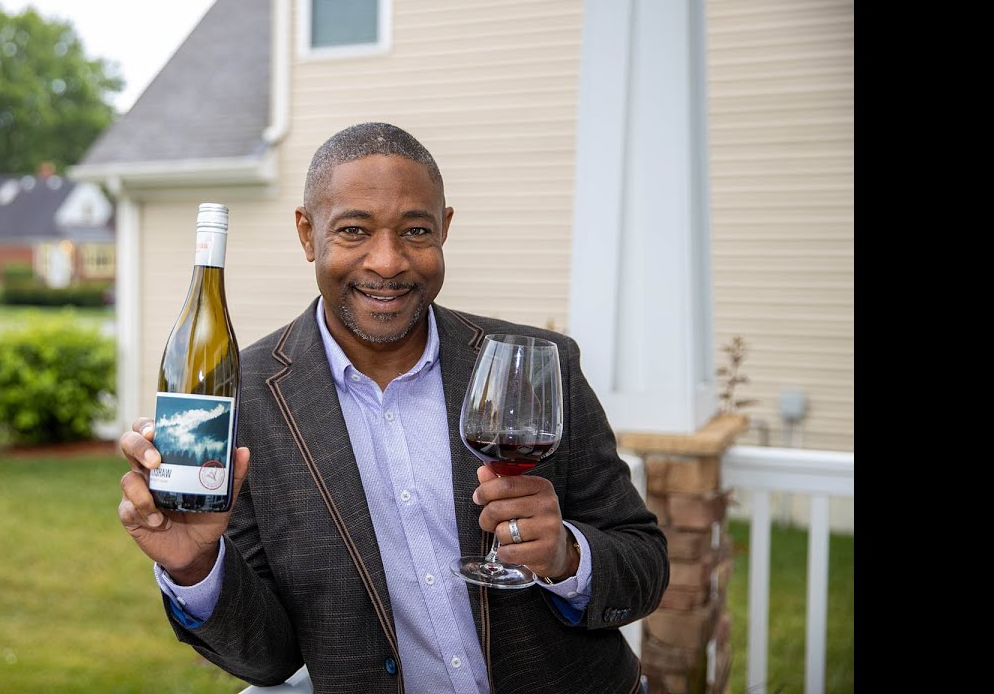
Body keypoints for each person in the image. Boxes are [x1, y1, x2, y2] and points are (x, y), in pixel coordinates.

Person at [118, 122, 668, 694]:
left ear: (445, 228)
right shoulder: (245, 398)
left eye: (415, 231)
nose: (387, 261)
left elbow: (645, 564)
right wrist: (194, 565)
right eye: (354, 230)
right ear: (308, 234)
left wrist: (567, 557)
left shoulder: (537, 365)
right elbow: (270, 660)